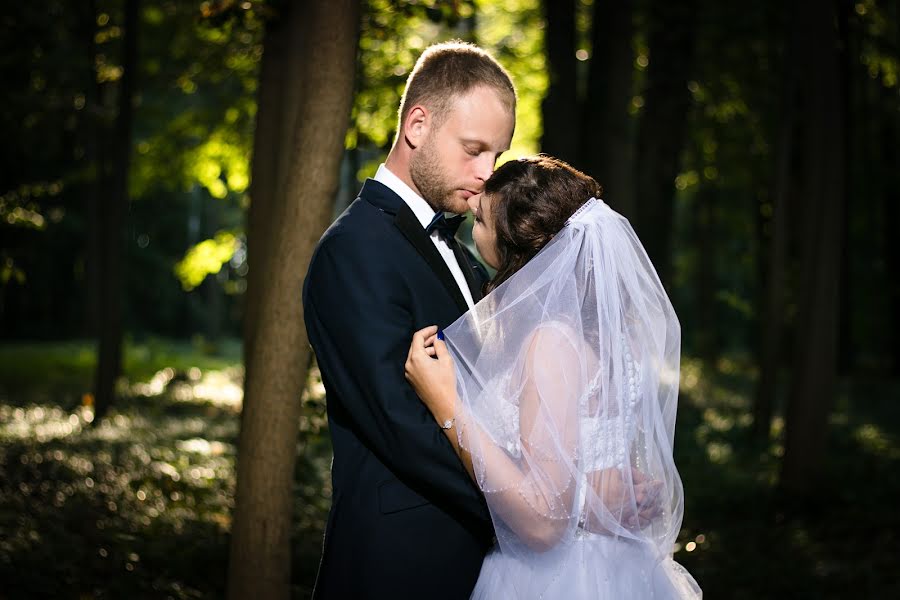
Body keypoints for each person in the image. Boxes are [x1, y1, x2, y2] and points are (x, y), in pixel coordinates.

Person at [405, 156, 703, 599]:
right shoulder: (609, 334)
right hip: (618, 568)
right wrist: (599, 497)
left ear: (516, 244)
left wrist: (445, 402)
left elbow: (543, 522)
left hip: (557, 578)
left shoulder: (550, 342)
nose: (472, 227)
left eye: (482, 220)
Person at [302, 41, 516, 599]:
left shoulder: (467, 258)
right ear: (417, 125)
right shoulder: (352, 250)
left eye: (497, 155)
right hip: (395, 570)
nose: (487, 173)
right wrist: (526, 510)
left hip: (475, 566)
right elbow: (400, 425)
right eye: (473, 149)